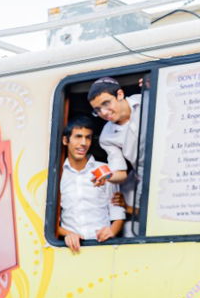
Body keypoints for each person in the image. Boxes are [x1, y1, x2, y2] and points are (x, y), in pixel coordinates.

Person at [57, 116, 124, 254]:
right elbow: (50, 220)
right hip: (70, 251)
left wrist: (111, 231)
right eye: (78, 136)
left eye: (88, 137)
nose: (83, 143)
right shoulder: (57, 175)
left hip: (103, 247)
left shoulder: (104, 170)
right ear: (65, 140)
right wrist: (67, 234)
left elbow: (117, 213)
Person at [87, 76, 146, 233]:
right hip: (146, 181)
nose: (104, 112)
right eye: (97, 110)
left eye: (106, 104)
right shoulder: (106, 136)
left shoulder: (148, 100)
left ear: (120, 94)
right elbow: (121, 173)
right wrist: (106, 177)